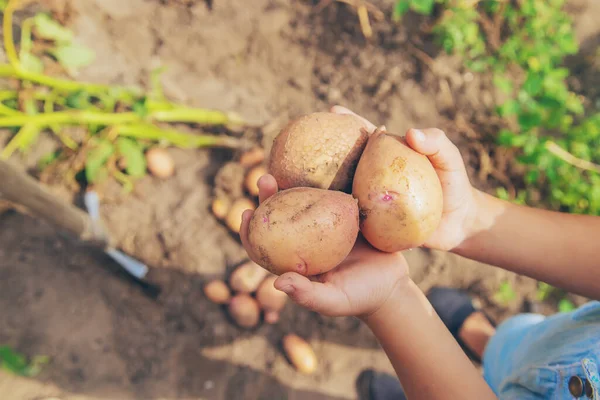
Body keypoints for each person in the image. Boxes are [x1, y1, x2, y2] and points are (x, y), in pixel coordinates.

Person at [239, 106, 600, 400]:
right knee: (516, 347)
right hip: (564, 344)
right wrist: (469, 219)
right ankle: (486, 341)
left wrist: (391, 302)